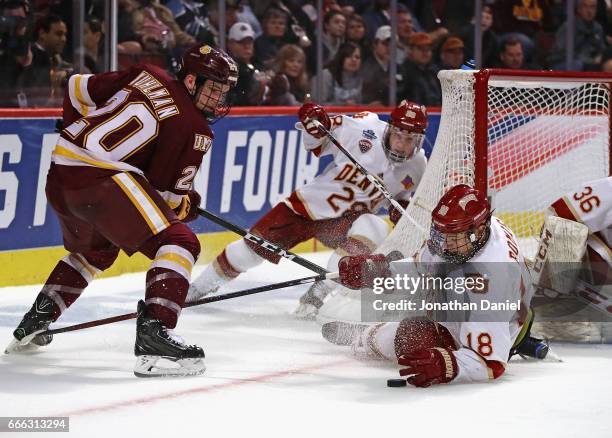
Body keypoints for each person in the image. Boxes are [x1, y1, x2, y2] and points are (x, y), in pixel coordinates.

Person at [5, 45, 239, 378]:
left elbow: (76, 88)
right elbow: (166, 200)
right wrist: (186, 206)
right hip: (102, 181)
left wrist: (77, 127)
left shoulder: (147, 73)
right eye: (215, 88)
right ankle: (156, 331)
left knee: (96, 252)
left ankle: (35, 321)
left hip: (62, 171)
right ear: (191, 80)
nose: (219, 99)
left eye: (224, 91)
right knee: (180, 241)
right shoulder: (195, 129)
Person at [187, 100, 429, 319]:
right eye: (399, 134)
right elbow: (316, 140)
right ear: (389, 128)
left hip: (344, 223)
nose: (402, 144)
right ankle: (197, 288)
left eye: (410, 139)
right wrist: (314, 122)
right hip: (308, 207)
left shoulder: (418, 165)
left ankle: (317, 294)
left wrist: (402, 213)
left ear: (419, 141)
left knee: (375, 226)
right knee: (248, 252)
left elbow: (400, 199)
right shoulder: (363, 128)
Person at [324, 184, 536, 387]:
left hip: (499, 328)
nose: (445, 242)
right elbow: (421, 269)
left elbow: (492, 364)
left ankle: (367, 337)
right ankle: (369, 335)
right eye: (442, 232)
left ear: (479, 231)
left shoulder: (489, 280)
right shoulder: (474, 233)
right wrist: (377, 272)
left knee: (415, 338)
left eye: (453, 236)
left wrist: (447, 365)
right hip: (500, 308)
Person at [17, 14, 69, 107]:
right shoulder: (29, 58)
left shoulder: (62, 63)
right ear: (42, 34)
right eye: (58, 34)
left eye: (65, 35)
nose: (63, 39)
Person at [548, 0, 605, 71]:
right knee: (578, 64)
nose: (589, 11)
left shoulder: (598, 28)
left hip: (589, 63)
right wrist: (589, 61)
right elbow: (561, 53)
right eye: (585, 6)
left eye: (592, 7)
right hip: (564, 63)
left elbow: (601, 50)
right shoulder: (569, 27)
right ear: (579, 9)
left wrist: (601, 57)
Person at [310, 41, 363, 105]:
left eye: (357, 57)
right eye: (348, 56)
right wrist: (342, 105)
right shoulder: (325, 76)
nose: (354, 60)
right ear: (341, 57)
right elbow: (316, 104)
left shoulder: (361, 78)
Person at [227, 22, 266, 106]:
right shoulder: (228, 70)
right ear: (230, 44)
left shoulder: (260, 64)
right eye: (241, 42)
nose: (247, 46)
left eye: (250, 42)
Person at [400, 32, 441, 106]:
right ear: (410, 50)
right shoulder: (402, 71)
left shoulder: (434, 72)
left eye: (428, 48)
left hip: (435, 115)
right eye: (420, 48)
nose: (425, 52)